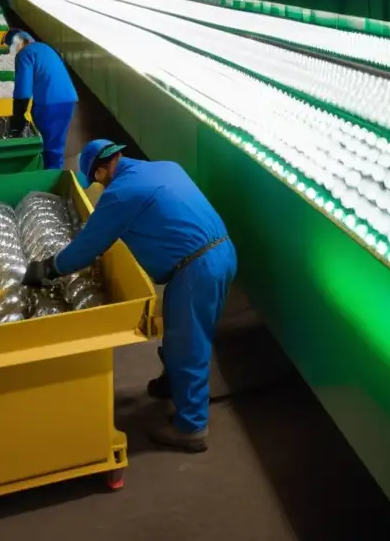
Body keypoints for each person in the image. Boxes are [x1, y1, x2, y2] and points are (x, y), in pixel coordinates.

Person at [23, 139, 237, 453]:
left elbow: (88, 246)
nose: (98, 184)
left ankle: (192, 428)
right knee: (185, 332)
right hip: (221, 252)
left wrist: (49, 268)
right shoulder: (163, 167)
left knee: (189, 345)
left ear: (99, 170)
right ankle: (172, 383)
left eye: (96, 179)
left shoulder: (120, 193)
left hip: (196, 269)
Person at [4, 29, 78, 169]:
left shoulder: (25, 54)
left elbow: (23, 91)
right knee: (56, 144)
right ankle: (54, 173)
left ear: (17, 43)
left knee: (47, 146)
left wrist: (17, 118)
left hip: (49, 104)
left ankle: (48, 180)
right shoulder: (45, 47)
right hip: (69, 100)